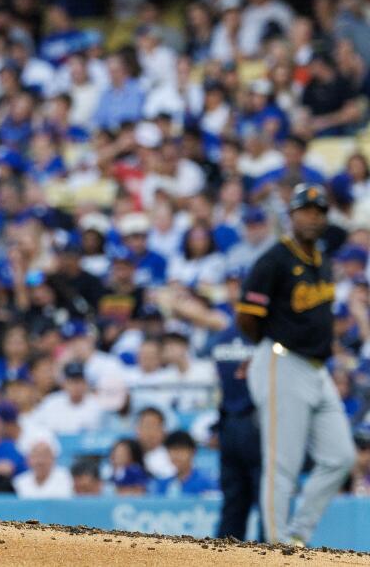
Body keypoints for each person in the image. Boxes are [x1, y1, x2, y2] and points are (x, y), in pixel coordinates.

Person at [238, 184, 356, 545]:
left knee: (341, 457)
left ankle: (297, 535)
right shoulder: (273, 260)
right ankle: (276, 546)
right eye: (305, 210)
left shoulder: (321, 260)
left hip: (316, 369)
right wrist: (271, 346)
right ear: (291, 215)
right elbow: (247, 317)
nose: (312, 216)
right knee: (282, 465)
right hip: (281, 361)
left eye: (319, 211)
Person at [211, 304, 261, 540]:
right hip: (255, 424)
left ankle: (222, 559)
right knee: (267, 501)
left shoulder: (222, 337)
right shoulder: (263, 339)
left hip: (228, 423)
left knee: (233, 503)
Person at [151, 430, 217, 497]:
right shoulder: (162, 485)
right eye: (172, 450)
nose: (176, 455)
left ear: (193, 451)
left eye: (181, 450)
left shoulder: (208, 483)